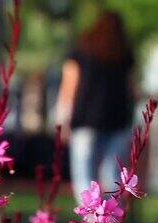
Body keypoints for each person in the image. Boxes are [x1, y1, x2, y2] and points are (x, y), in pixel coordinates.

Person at [56, 10, 136, 198]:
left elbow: (70, 86)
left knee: (84, 175)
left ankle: (90, 218)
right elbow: (131, 89)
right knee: (112, 176)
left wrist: (62, 117)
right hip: (117, 121)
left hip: (85, 121)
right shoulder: (123, 54)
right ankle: (107, 221)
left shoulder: (81, 51)